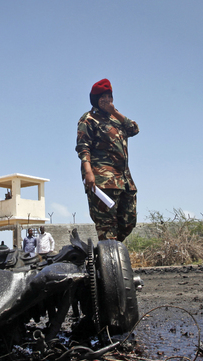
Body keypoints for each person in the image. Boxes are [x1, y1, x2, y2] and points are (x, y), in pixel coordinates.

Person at [76, 78, 139, 242]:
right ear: (96, 100)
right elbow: (83, 147)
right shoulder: (88, 119)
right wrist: (88, 172)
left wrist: (115, 112)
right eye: (103, 98)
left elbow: (134, 129)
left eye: (109, 97)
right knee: (106, 226)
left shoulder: (116, 119)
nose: (107, 100)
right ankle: (109, 261)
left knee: (128, 221)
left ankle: (110, 254)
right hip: (103, 181)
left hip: (124, 181)